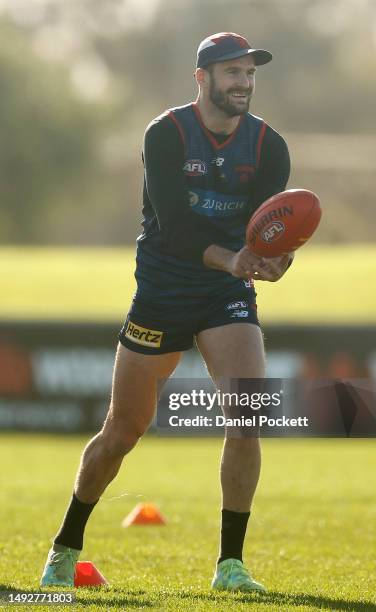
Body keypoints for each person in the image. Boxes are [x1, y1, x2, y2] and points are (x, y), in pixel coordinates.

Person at [41, 32, 293, 592]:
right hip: (162, 292)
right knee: (123, 430)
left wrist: (276, 260)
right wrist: (235, 261)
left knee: (247, 418)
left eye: (250, 73)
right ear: (201, 79)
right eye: (232, 73)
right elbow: (176, 228)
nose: (244, 83)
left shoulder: (269, 146)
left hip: (224, 295)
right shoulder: (166, 134)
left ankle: (231, 566)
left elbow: (270, 229)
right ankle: (64, 547)